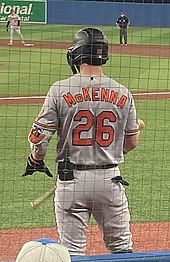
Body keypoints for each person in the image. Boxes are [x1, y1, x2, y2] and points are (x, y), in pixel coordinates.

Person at [22, 27, 142, 256]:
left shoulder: (60, 89)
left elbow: (39, 138)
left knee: (72, 253)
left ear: (75, 54)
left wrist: (36, 159)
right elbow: (133, 141)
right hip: (110, 180)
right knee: (123, 251)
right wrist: (112, 150)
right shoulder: (123, 92)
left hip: (71, 181)